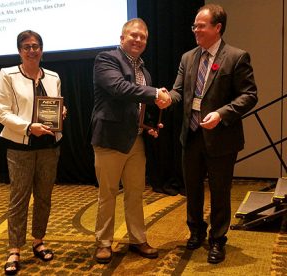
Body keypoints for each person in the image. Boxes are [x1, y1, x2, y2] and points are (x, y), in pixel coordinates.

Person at [167, 4, 258, 264]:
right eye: (194, 25)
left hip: (221, 138)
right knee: (192, 190)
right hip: (192, 135)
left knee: (220, 191)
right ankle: (196, 232)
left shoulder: (237, 57)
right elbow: (177, 92)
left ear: (217, 28)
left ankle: (218, 240)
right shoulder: (188, 58)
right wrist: (165, 98)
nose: (195, 29)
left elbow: (249, 96)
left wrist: (221, 113)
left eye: (201, 25)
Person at [90, 18, 171, 264]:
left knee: (135, 193)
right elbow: (119, 88)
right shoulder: (106, 60)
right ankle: (103, 243)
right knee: (108, 194)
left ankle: (138, 239)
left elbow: (136, 106)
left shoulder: (144, 71)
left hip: (135, 140)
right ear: (122, 38)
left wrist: (148, 126)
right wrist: (155, 93)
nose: (138, 40)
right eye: (133, 35)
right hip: (110, 139)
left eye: (143, 37)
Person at [0, 30, 66, 275]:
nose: (32, 50)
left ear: (42, 50)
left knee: (44, 197)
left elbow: (55, 105)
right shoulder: (8, 75)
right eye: (26, 46)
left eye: (36, 46)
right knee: (19, 199)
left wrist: (61, 113)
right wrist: (28, 127)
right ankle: (14, 249)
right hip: (20, 146)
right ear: (19, 51)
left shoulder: (53, 76)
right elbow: (2, 112)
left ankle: (39, 240)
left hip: (48, 146)